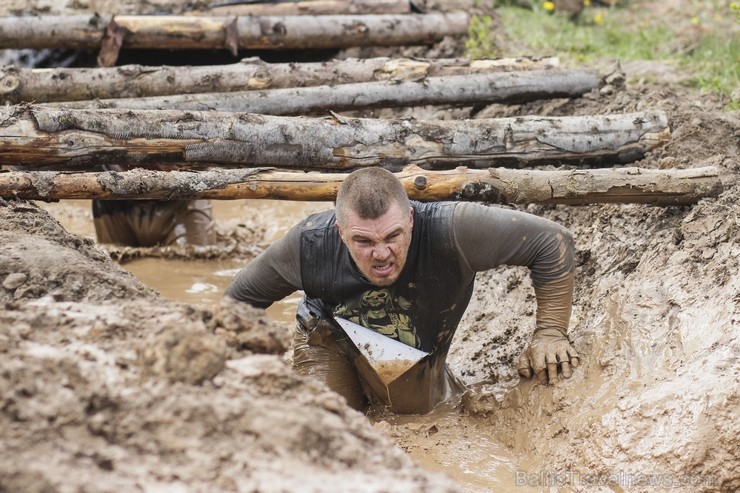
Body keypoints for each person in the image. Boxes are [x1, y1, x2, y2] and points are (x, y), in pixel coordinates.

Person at [224, 167, 579, 414]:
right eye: (363, 241)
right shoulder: (307, 246)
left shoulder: (454, 230)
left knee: (423, 415)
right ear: (340, 232)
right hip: (329, 334)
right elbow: (237, 302)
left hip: (415, 352)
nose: (381, 254)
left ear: (410, 219)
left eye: (393, 236)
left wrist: (550, 332)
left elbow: (551, 241)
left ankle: (439, 382)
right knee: (325, 420)